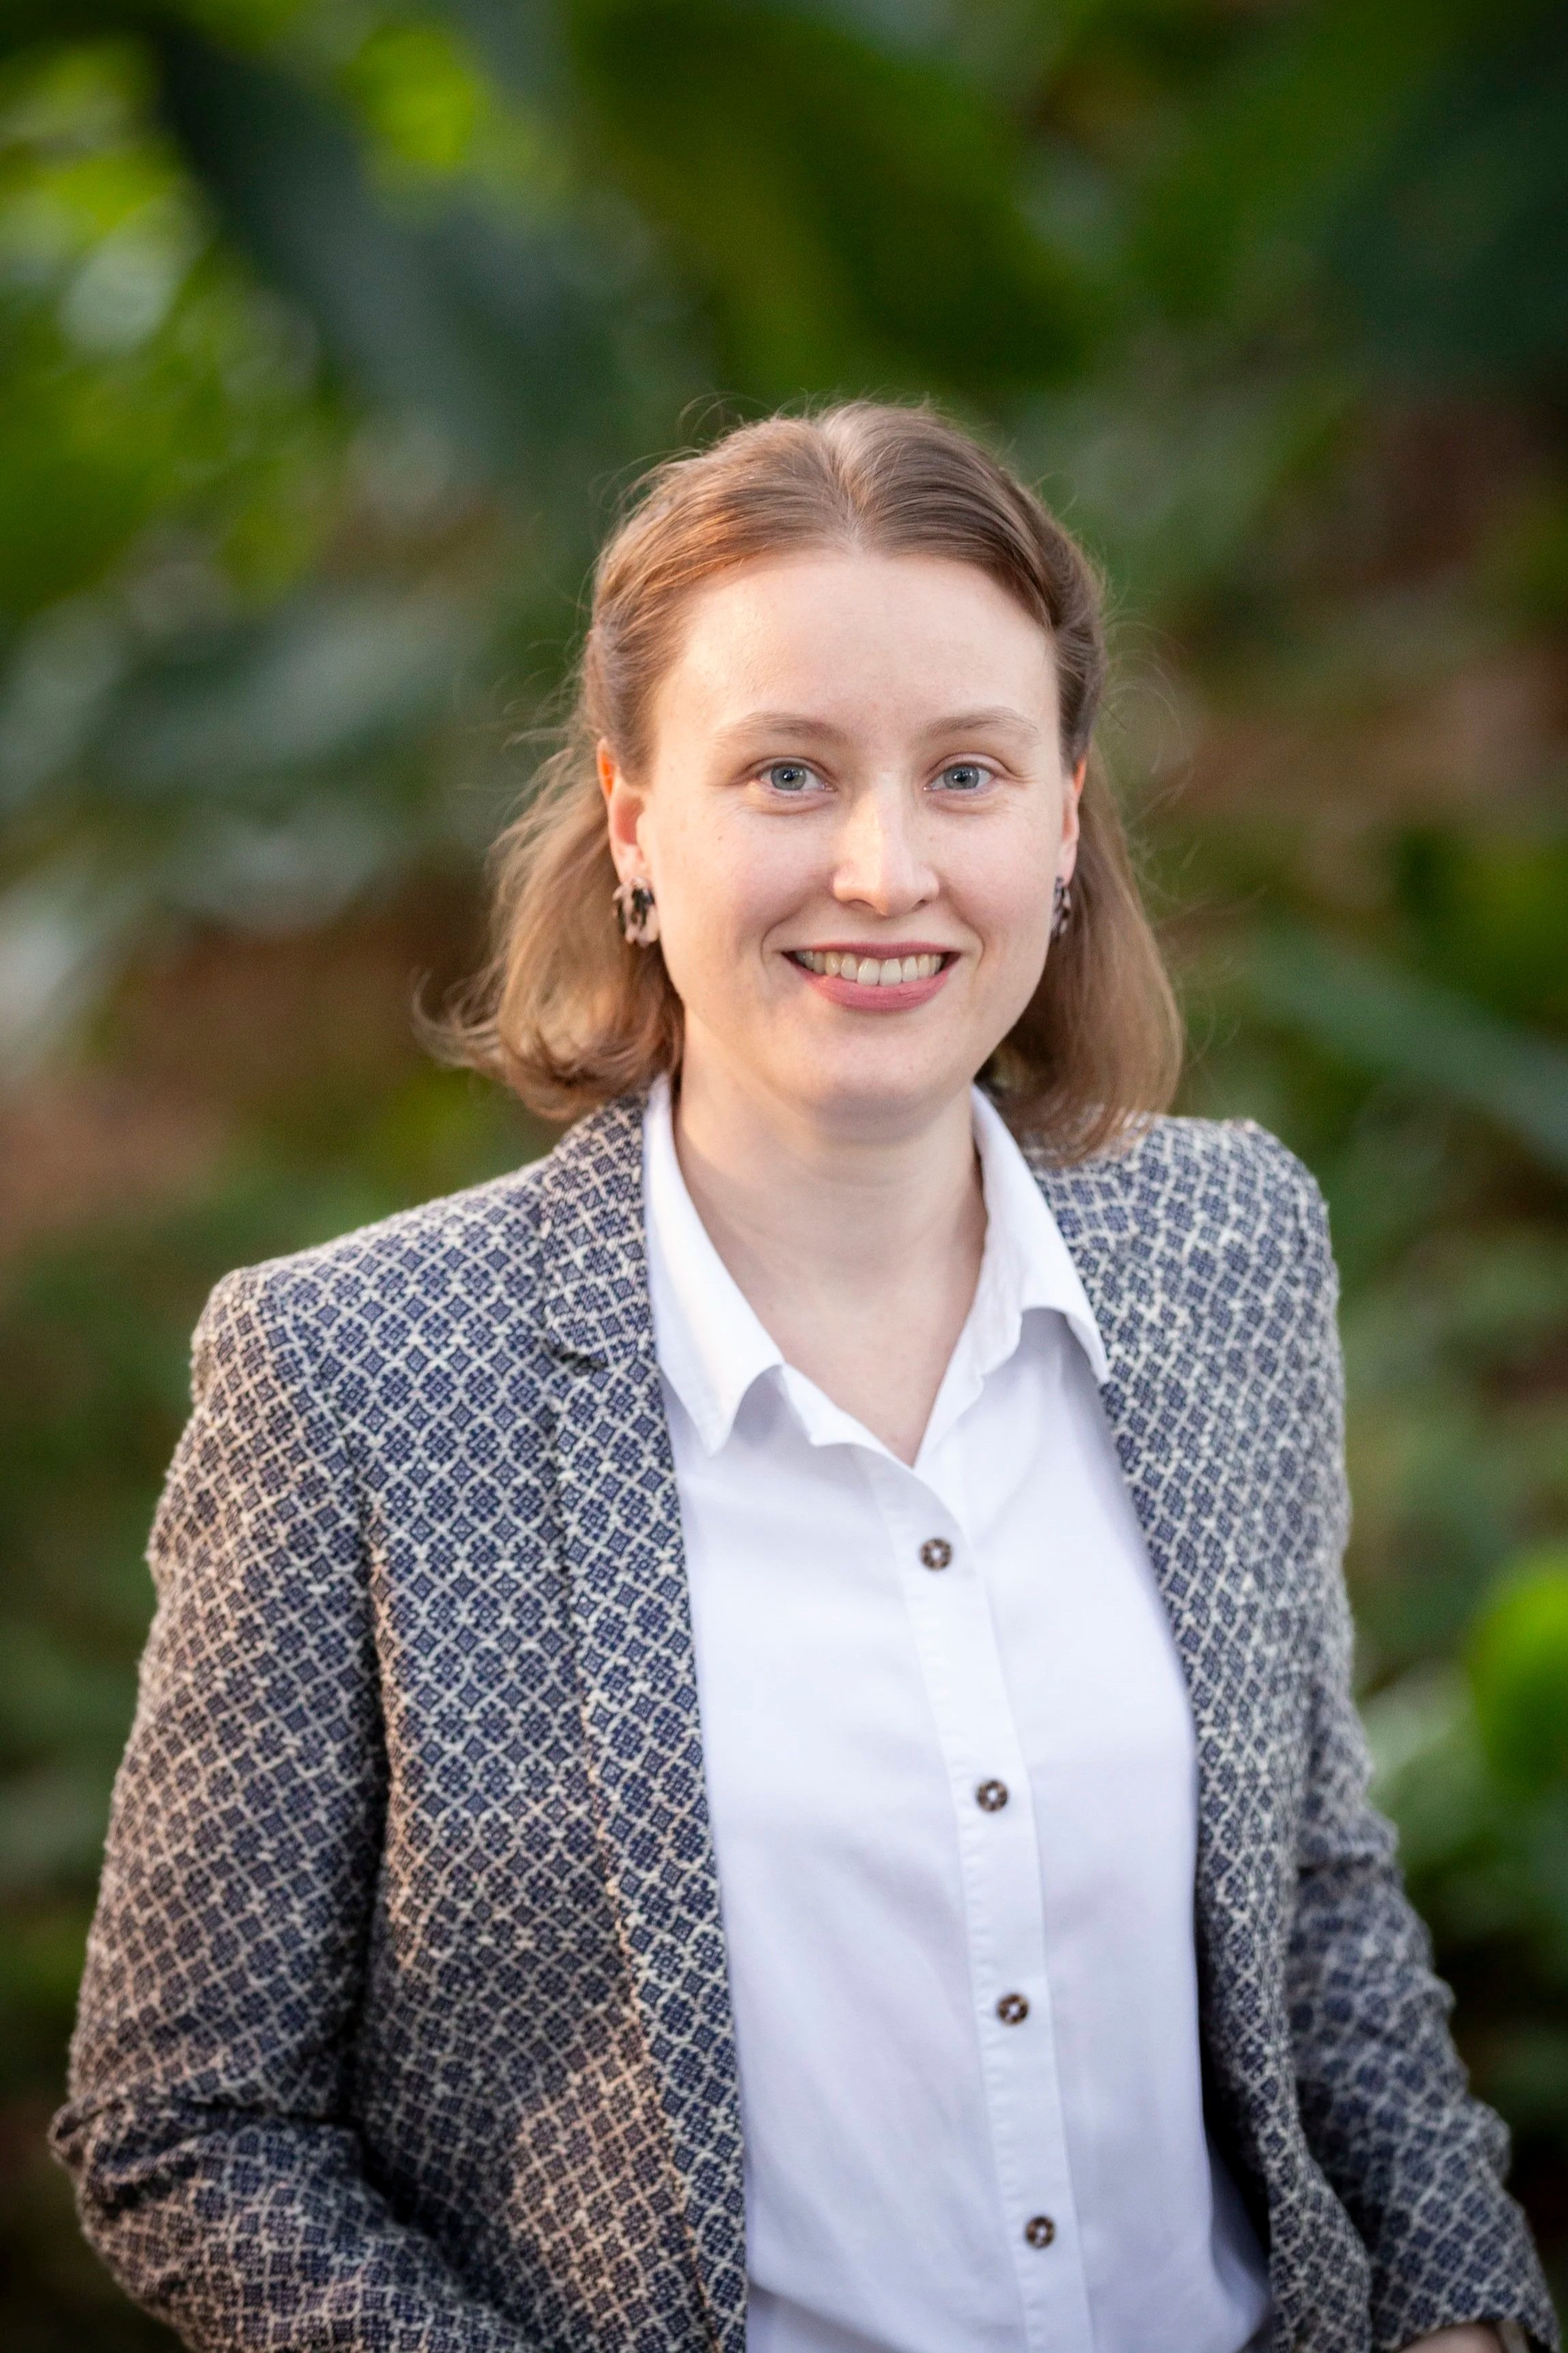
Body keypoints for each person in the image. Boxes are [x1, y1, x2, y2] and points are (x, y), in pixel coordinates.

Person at [54, 404, 1554, 2353]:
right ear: (632, 824)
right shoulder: (356, 1378)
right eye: (786, 773)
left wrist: (1459, 2317)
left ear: (1063, 822)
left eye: (965, 773)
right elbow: (186, 2126)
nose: (881, 867)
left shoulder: (1227, 1249)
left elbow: (1315, 1902)